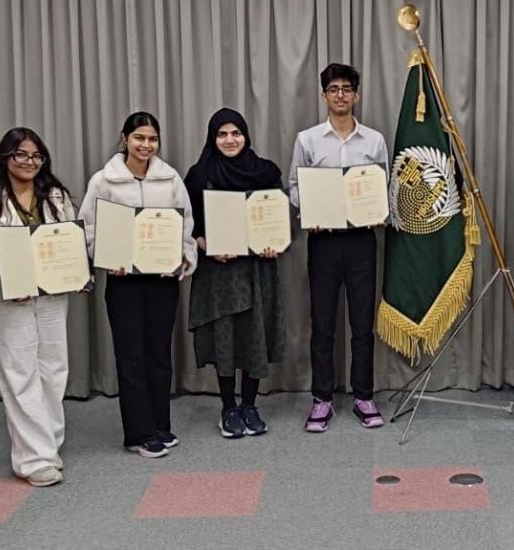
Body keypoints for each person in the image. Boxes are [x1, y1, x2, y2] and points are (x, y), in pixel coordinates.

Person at [0, 128, 80, 487]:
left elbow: (70, 245)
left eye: (36, 156)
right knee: (19, 375)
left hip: (50, 297)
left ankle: (49, 442)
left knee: (53, 369)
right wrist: (6, 279)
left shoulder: (57, 198)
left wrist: (76, 272)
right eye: (21, 155)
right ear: (5, 158)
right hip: (6, 301)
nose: (29, 162)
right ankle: (34, 458)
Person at [80, 111, 197, 458]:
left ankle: (160, 424)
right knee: (131, 357)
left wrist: (180, 258)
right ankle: (138, 433)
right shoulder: (104, 181)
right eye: (139, 138)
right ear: (125, 139)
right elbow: (89, 229)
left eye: (152, 139)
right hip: (124, 283)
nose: (146, 145)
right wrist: (105, 257)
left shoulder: (170, 177)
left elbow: (185, 225)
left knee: (159, 355)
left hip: (162, 281)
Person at [287, 63, 388, 432]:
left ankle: (364, 396)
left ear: (356, 95)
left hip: (362, 241)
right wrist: (308, 211)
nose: (341, 95)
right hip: (323, 241)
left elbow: (382, 183)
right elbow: (294, 185)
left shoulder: (374, 140)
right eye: (334, 89)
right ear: (324, 95)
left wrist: (379, 211)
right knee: (324, 323)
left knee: (362, 324)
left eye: (347, 88)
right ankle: (322, 399)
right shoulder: (308, 139)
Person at [185, 109, 285, 439]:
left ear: (246, 135)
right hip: (220, 271)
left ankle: (250, 405)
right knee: (225, 337)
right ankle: (228, 407)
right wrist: (205, 244)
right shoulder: (199, 175)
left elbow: (276, 218)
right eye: (222, 134)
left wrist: (273, 242)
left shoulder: (266, 172)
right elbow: (190, 227)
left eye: (236, 133)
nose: (230, 140)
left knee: (254, 334)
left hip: (257, 267)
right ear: (213, 138)